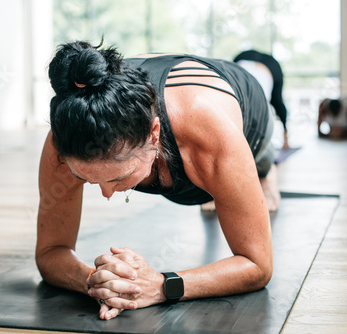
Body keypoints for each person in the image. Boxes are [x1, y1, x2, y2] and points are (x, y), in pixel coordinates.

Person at [36, 41, 278, 321]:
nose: (106, 194)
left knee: (260, 162)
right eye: (86, 179)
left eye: (118, 178)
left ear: (154, 134)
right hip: (179, 139)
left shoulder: (209, 132)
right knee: (213, 184)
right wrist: (100, 282)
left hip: (249, 112)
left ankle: (263, 170)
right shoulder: (67, 139)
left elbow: (258, 266)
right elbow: (49, 253)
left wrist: (161, 286)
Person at [234, 50, 290, 149]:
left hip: (247, 61)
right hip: (257, 64)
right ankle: (285, 137)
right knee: (276, 103)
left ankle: (285, 137)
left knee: (275, 103)